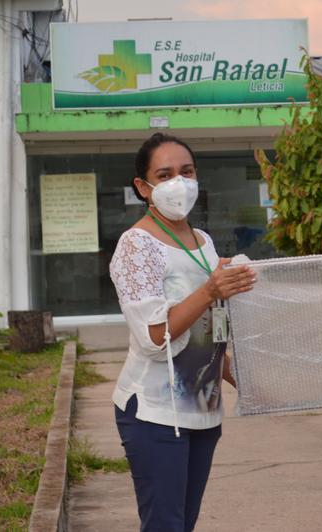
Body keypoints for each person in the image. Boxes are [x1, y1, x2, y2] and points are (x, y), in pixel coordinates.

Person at [109, 133, 256, 531]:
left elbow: (209, 334)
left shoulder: (203, 243)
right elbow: (153, 337)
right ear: (143, 187)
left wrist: (248, 380)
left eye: (187, 171)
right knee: (165, 526)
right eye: (165, 174)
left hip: (202, 411)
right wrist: (209, 290)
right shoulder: (137, 246)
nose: (180, 182)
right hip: (156, 413)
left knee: (182, 524)